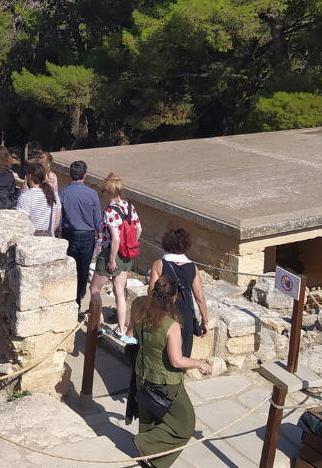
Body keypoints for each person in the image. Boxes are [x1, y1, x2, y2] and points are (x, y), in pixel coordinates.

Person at [130, 273, 210, 468]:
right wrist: (199, 363)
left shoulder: (139, 309)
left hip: (142, 374)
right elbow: (176, 361)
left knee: (149, 420)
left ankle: (149, 460)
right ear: (174, 297)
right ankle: (145, 444)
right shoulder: (170, 325)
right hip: (165, 382)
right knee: (185, 424)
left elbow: (130, 335)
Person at [147, 228, 209, 361]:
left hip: (164, 312)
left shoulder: (159, 265)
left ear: (166, 243)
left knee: (162, 351)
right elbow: (199, 298)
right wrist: (205, 321)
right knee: (183, 353)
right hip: (185, 315)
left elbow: (151, 292)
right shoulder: (192, 267)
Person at [94, 173, 142, 341]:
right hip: (126, 253)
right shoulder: (129, 206)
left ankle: (96, 326)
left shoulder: (110, 211)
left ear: (108, 191)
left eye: (102, 191)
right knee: (119, 292)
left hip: (111, 253)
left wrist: (112, 259)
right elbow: (139, 229)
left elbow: (115, 238)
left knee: (94, 289)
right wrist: (130, 245)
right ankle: (120, 329)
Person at [60, 160, 103, 305]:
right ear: (85, 175)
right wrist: (100, 236)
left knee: (70, 267)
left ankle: (70, 295)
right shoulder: (92, 194)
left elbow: (60, 216)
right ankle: (81, 294)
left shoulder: (63, 193)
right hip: (87, 235)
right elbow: (97, 219)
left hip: (69, 234)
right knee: (83, 268)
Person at [18, 162, 60, 237]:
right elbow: (56, 222)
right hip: (50, 239)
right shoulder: (53, 195)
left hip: (33, 240)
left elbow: (22, 224)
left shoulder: (26, 196)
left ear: (29, 176)